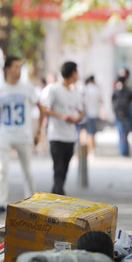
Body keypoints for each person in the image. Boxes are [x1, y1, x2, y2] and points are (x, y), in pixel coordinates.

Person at [0, 56, 44, 215]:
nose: (18, 70)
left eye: (21, 67)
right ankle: (2, 201)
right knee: (0, 169)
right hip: (5, 134)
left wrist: (38, 131)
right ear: (7, 69)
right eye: (15, 67)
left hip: (24, 135)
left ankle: (30, 202)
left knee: (27, 170)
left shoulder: (27, 88)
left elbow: (41, 108)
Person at [41, 61, 83, 196]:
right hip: (56, 136)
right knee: (58, 169)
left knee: (64, 170)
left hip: (70, 137)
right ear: (73, 73)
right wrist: (61, 116)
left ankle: (55, 194)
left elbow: (81, 111)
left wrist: (76, 119)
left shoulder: (75, 92)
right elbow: (45, 109)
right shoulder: (54, 89)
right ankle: (59, 195)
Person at [112, 76, 132, 157]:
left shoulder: (117, 91)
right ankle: (124, 150)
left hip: (121, 115)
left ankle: (123, 150)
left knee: (122, 133)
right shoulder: (127, 91)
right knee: (124, 133)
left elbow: (112, 101)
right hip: (125, 115)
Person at [79, 75, 102, 157]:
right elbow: (101, 101)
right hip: (94, 113)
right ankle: (92, 149)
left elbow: (82, 102)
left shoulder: (85, 89)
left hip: (86, 113)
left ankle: (85, 149)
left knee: (85, 131)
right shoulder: (97, 89)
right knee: (92, 132)